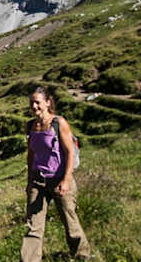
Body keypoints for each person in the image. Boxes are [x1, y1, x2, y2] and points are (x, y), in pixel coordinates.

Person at [21, 87, 93, 261]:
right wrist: (30, 181)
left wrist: (66, 180)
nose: (34, 106)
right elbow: (31, 154)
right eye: (32, 102)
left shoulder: (58, 123)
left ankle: (82, 255)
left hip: (59, 179)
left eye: (38, 102)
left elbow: (69, 152)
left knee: (70, 220)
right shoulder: (30, 125)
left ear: (47, 102)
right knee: (34, 225)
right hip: (38, 180)